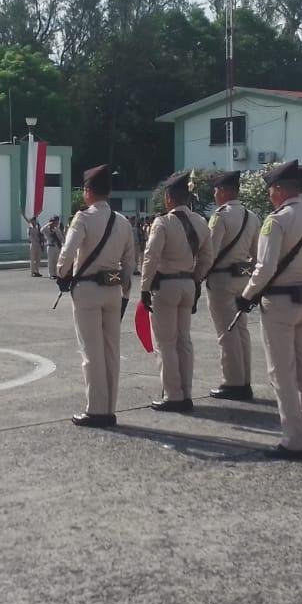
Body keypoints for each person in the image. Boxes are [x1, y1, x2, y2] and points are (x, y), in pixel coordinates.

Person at [237, 159, 302, 459]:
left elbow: (265, 268)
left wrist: (246, 295)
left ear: (279, 190)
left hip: (278, 303)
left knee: (282, 373)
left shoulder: (276, 220)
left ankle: (293, 440)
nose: (268, 196)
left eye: (270, 190)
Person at [57, 164, 136, 427]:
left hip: (88, 290)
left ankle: (96, 410)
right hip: (113, 290)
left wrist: (62, 273)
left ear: (88, 191)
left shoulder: (83, 218)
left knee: (91, 351)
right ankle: (110, 408)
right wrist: (124, 291)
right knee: (111, 350)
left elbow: (67, 254)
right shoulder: (123, 222)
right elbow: (129, 263)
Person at [140, 170, 214, 413]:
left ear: (170, 198)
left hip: (166, 286)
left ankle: (173, 395)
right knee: (184, 340)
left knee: (165, 342)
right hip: (187, 285)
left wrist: (144, 287)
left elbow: (151, 257)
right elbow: (207, 258)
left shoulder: (163, 222)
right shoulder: (201, 222)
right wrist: (196, 278)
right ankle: (187, 392)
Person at [203, 170, 260, 400]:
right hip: (243, 277)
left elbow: (210, 253)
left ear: (225, 191)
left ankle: (233, 382)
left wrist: (198, 275)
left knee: (226, 332)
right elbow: (258, 255)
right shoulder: (252, 217)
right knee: (241, 330)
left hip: (222, 279)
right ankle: (244, 378)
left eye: (216, 190)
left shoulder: (220, 217)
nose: (215, 194)